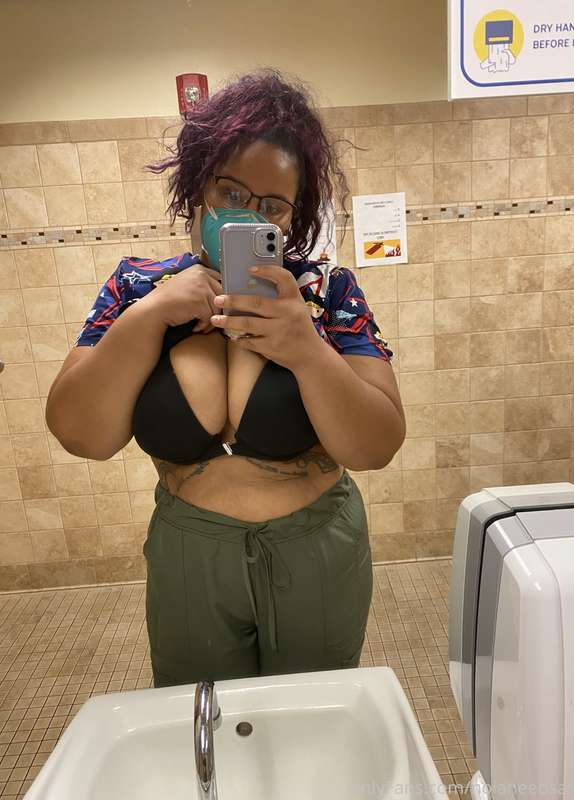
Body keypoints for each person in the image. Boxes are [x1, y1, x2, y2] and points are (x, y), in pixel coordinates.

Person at [46, 70, 406, 688]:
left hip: (317, 544)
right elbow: (81, 434)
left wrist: (306, 349)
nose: (247, 215)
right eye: (230, 192)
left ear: (293, 218)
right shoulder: (136, 286)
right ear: (197, 187)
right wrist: (150, 316)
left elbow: (377, 446)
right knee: (202, 719)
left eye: (271, 206)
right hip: (191, 553)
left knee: (313, 719)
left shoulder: (326, 291)